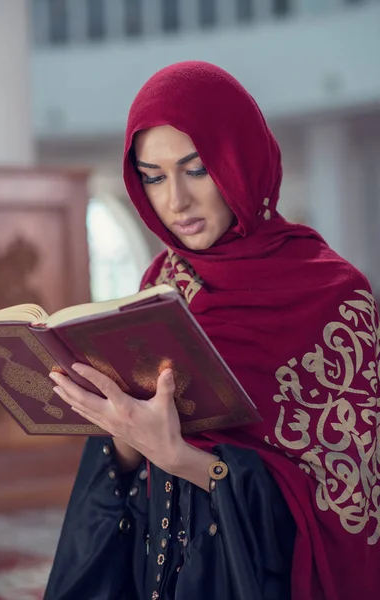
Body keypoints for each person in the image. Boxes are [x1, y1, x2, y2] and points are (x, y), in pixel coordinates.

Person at [44, 61, 380, 600]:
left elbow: (347, 505)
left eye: (196, 169)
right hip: (159, 570)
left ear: (240, 160)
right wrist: (124, 438)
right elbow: (134, 471)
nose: (175, 201)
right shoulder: (162, 281)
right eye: (153, 177)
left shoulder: (335, 296)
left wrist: (183, 458)